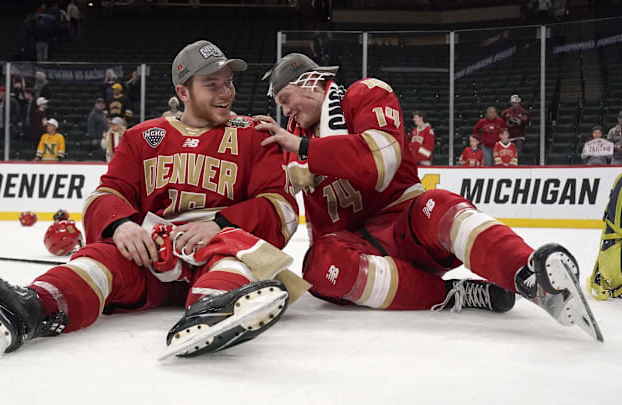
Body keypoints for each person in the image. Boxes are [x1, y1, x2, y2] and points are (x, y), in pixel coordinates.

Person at [0, 40, 302, 361]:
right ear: (183, 92)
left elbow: (281, 208)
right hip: (153, 257)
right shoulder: (142, 137)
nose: (226, 92)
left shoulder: (254, 133)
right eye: (212, 84)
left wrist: (219, 224)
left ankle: (214, 309)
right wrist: (121, 225)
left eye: (229, 82)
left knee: (234, 256)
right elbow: (107, 193)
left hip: (218, 246)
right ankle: (27, 312)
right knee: (99, 258)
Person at [255, 53, 601, 341]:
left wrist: (305, 147)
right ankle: (453, 294)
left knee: (442, 206)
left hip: (406, 220)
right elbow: (275, 203)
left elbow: (381, 160)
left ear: (310, 82)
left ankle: (529, 274)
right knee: (320, 265)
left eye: (286, 100)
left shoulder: (365, 94)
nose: (285, 113)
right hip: (355, 245)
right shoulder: (288, 138)